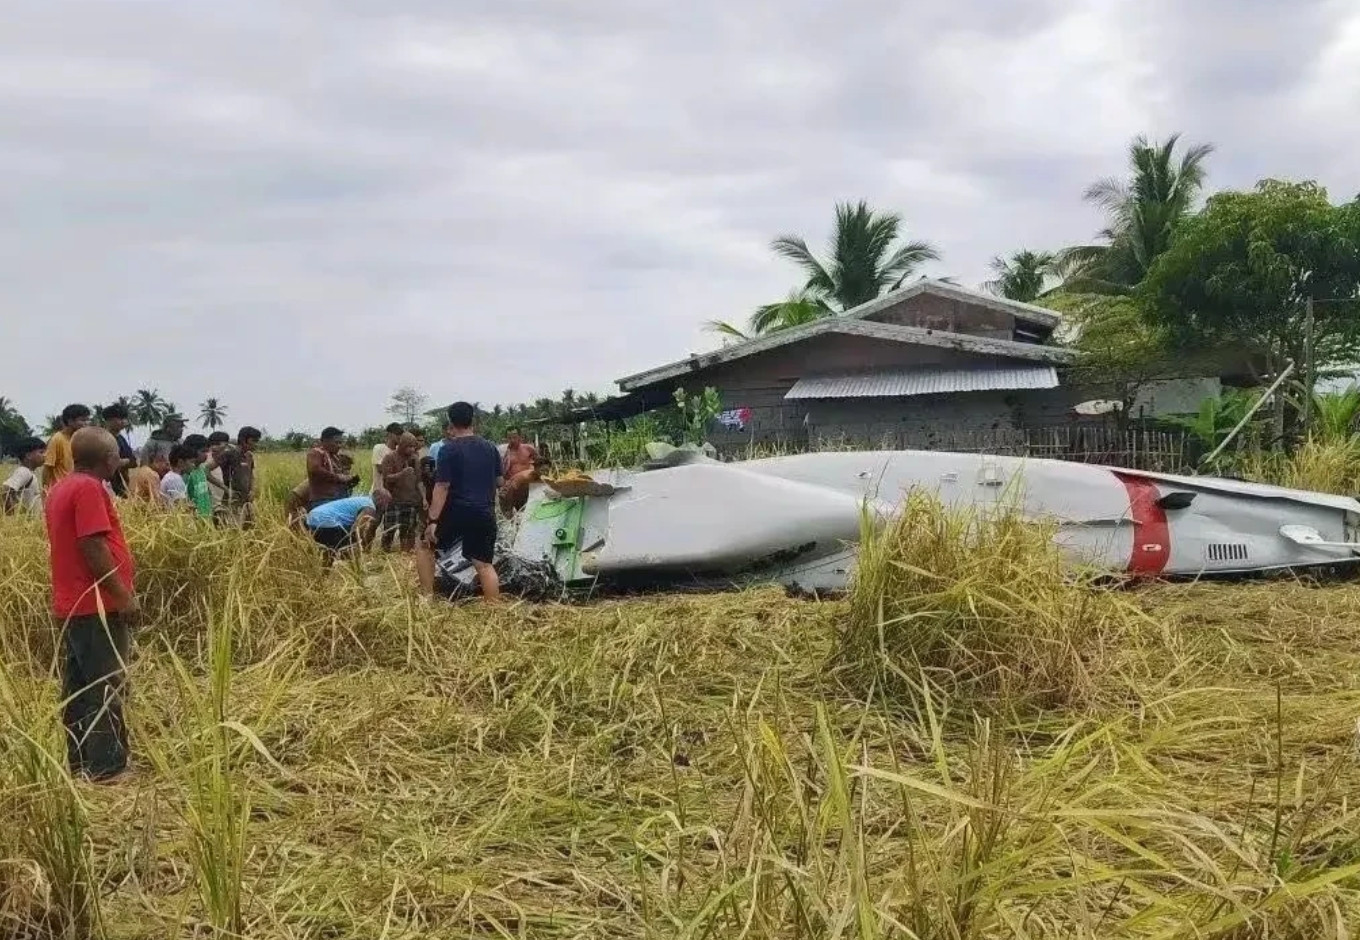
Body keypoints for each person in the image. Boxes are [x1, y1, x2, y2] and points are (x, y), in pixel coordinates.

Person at [44, 427, 138, 781]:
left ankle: (81, 761)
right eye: (116, 454)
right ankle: (107, 767)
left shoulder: (62, 487)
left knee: (79, 687)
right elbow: (93, 547)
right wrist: (122, 596)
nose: (119, 459)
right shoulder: (88, 489)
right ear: (108, 459)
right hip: (95, 605)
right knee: (106, 685)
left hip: (72, 603)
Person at [418, 402, 502, 601]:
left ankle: (427, 599)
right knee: (483, 564)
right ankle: (496, 612)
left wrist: (432, 520)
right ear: (472, 420)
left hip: (457, 511)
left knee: (424, 545)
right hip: (485, 512)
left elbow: (442, 486)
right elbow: (500, 481)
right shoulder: (491, 448)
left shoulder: (449, 449)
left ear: (450, 422)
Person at [305, 491, 391, 567]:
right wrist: (361, 546)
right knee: (338, 547)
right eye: (387, 503)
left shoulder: (363, 500)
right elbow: (357, 530)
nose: (386, 507)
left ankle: (314, 568)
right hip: (326, 520)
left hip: (312, 518)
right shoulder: (369, 507)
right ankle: (345, 570)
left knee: (326, 548)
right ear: (380, 500)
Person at [379, 432, 425, 551]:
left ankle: (406, 555)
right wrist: (402, 474)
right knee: (389, 530)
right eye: (409, 446)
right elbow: (387, 478)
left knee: (409, 531)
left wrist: (423, 498)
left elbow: (419, 481)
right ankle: (385, 554)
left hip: (410, 501)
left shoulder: (415, 459)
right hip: (394, 500)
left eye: (413, 446)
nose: (411, 449)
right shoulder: (390, 457)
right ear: (401, 445)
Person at [216, 426, 260, 525]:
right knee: (232, 530)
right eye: (254, 441)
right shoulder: (230, 454)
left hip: (246, 501)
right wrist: (226, 489)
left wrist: (252, 490)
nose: (256, 444)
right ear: (243, 440)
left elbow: (251, 475)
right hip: (232, 501)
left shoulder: (249, 456)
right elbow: (206, 470)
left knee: (249, 528)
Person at [42, 403, 92, 491]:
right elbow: (48, 468)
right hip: (60, 490)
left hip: (76, 489)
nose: (86, 423)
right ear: (70, 421)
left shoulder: (82, 440)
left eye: (87, 420)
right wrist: (46, 491)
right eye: (82, 420)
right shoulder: (57, 439)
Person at [307, 427, 359, 507]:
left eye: (340, 443)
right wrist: (339, 477)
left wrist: (350, 480)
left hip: (338, 499)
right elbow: (315, 469)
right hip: (323, 501)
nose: (339, 446)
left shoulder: (335, 457)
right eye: (337, 442)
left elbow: (339, 479)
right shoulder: (316, 453)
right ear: (325, 441)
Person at [498, 427, 545, 514]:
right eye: (509, 438)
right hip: (514, 489)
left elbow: (540, 463)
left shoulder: (528, 448)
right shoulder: (504, 453)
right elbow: (502, 471)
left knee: (530, 512)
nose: (512, 440)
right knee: (514, 515)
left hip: (528, 488)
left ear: (520, 437)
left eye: (514, 437)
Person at [3, 436, 46, 515]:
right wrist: (10, 515)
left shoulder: (29, 472)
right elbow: (6, 489)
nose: (44, 455)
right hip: (27, 523)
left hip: (32, 523)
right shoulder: (24, 472)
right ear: (28, 456)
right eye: (41, 452)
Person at [102, 403, 138, 497]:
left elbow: (134, 462)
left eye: (124, 419)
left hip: (121, 485)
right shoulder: (101, 439)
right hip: (106, 485)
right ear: (108, 420)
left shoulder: (121, 439)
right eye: (120, 419)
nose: (123, 421)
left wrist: (122, 462)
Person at [178, 435, 213, 520]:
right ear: (192, 451)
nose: (206, 455)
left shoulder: (201, 469)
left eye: (207, 452)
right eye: (203, 451)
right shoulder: (187, 475)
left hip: (207, 518)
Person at [204, 431, 230, 518]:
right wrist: (224, 487)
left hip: (224, 504)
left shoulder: (226, 459)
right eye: (213, 444)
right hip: (211, 505)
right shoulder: (205, 460)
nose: (214, 447)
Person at [372, 423, 403, 494]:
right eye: (397, 434)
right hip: (379, 493)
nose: (400, 436)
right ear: (390, 434)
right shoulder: (379, 448)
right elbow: (381, 469)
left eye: (401, 434)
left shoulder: (400, 451)